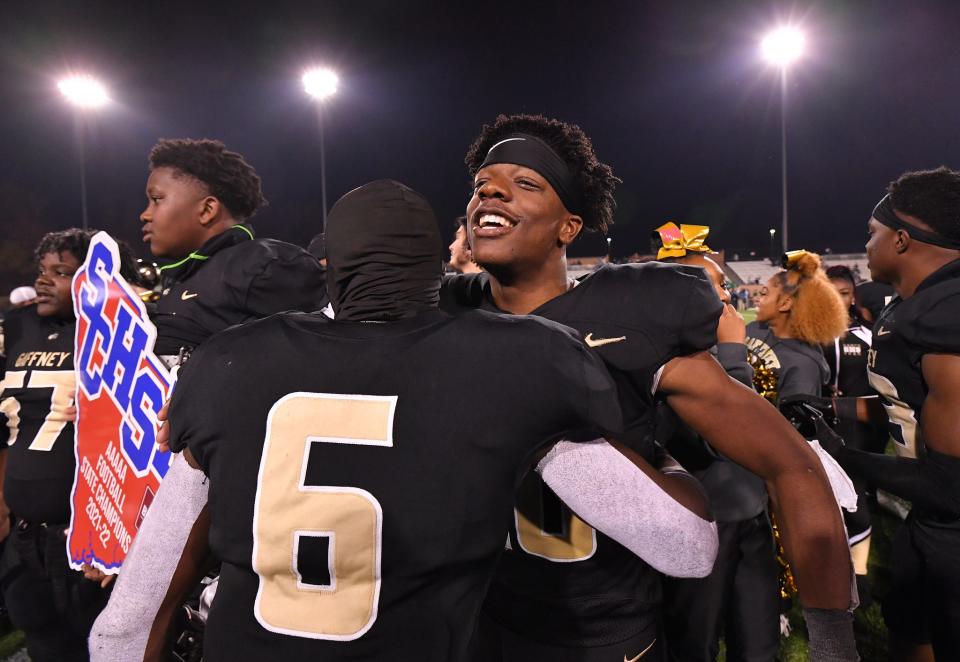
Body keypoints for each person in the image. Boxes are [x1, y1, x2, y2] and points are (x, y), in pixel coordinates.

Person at [163, 179, 717, 661]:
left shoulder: (229, 360)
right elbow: (685, 548)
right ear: (436, 264)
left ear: (333, 266)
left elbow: (141, 597)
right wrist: (662, 453)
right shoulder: (520, 356)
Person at [443, 114, 855, 661]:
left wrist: (832, 645)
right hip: (482, 625)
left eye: (526, 183)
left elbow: (790, 462)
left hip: (606, 637)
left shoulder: (634, 316)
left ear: (569, 227)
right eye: (483, 184)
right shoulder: (446, 314)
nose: (491, 191)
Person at [90, 138, 327, 660]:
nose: (144, 213)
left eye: (156, 198)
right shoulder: (185, 279)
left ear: (206, 208)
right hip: (170, 492)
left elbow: (306, 386)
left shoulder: (262, 268)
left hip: (228, 504)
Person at [813, 168, 960, 661]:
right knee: (909, 631)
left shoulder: (948, 316)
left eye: (872, 234)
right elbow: (906, 402)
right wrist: (826, 407)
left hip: (954, 521)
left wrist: (844, 457)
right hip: (932, 521)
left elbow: (951, 483)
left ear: (901, 239)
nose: (866, 245)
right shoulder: (915, 304)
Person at [0, 229, 140, 662]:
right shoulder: (17, 327)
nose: (44, 281)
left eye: (61, 272)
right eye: (43, 271)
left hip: (92, 548)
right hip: (26, 540)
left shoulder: (122, 334)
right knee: (46, 647)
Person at [653, 223, 779, 662]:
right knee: (694, 646)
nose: (726, 298)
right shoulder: (663, 361)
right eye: (712, 288)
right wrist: (732, 356)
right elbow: (721, 438)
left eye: (724, 285)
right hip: (701, 526)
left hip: (752, 518)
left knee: (760, 645)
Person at [823, 265, 885, 603]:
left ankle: (858, 577)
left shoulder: (867, 334)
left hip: (863, 428)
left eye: (845, 293)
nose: (838, 300)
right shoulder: (815, 335)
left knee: (857, 497)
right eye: (832, 292)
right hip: (829, 428)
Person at [746, 251, 849, 404]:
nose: (758, 300)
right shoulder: (754, 328)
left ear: (785, 303)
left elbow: (791, 425)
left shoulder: (805, 367)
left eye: (764, 294)